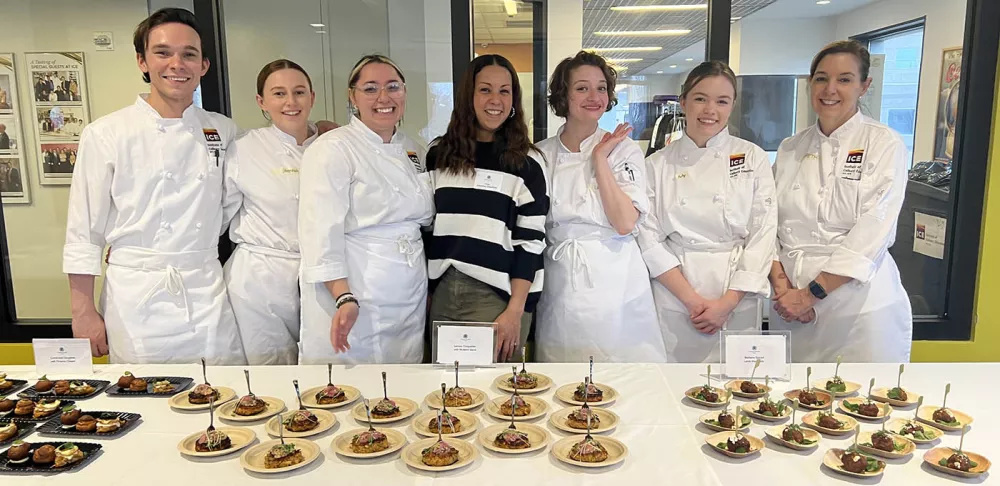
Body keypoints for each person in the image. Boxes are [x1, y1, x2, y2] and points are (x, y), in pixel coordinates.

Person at [62, 8, 246, 364]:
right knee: (145, 402)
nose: (177, 63)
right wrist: (82, 311)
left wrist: (317, 134)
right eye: (163, 52)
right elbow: (83, 231)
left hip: (205, 288)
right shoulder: (106, 133)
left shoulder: (223, 130)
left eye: (189, 54)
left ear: (203, 66)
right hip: (137, 296)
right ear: (142, 62)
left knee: (224, 396)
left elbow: (250, 180)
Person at [769, 40, 912, 363]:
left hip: (857, 305)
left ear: (865, 86)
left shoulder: (884, 144)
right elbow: (767, 223)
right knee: (787, 404)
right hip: (791, 307)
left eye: (844, 79)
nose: (830, 89)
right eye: (821, 78)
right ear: (810, 83)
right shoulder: (791, 147)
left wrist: (810, 295)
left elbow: (873, 230)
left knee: (860, 403)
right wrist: (784, 290)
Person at [637, 61, 777, 363]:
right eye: (700, 98)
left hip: (736, 292)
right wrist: (693, 301)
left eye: (721, 101)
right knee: (673, 388)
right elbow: (648, 239)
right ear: (684, 101)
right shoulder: (656, 165)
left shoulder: (753, 157)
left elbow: (764, 233)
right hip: (676, 294)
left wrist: (727, 302)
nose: (709, 110)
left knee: (738, 388)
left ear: (732, 105)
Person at [298, 54, 433, 364]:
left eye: (393, 87)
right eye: (370, 88)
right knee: (351, 390)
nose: (383, 98)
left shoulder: (414, 149)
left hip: (407, 292)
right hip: (355, 292)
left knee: (403, 386)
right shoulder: (333, 148)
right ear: (352, 96)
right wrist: (343, 296)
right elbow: (319, 232)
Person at [533, 51, 665, 363]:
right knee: (563, 374)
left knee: (622, 373)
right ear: (563, 96)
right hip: (561, 277)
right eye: (582, 88)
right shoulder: (539, 154)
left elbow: (624, 222)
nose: (594, 97)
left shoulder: (624, 149)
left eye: (601, 88)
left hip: (616, 279)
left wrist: (600, 160)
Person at [425, 54, 549, 362]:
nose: (495, 100)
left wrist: (516, 312)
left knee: (495, 398)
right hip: (443, 293)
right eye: (485, 89)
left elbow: (530, 244)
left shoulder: (527, 164)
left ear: (514, 100)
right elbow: (427, 230)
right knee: (445, 398)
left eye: (504, 91)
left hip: (497, 297)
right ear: (469, 95)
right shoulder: (438, 156)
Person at [221, 59, 318, 365]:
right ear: (261, 101)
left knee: (321, 371)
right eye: (279, 94)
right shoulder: (244, 149)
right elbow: (214, 215)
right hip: (260, 281)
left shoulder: (332, 146)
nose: (291, 102)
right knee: (271, 374)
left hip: (318, 276)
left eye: (299, 92)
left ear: (312, 97)